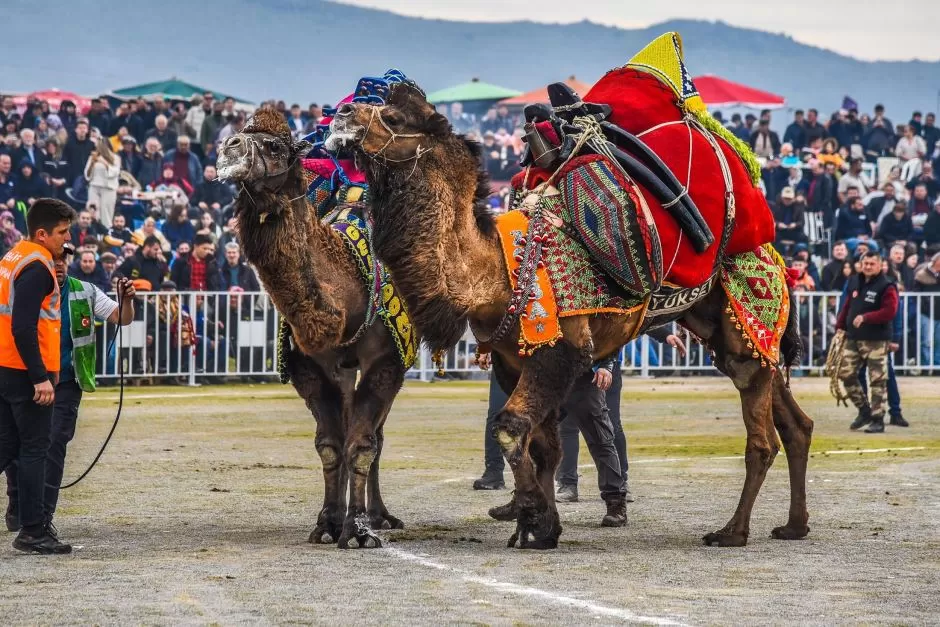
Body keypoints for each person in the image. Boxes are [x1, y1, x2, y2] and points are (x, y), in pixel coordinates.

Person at [5, 247, 136, 543]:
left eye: (64, 260)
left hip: (66, 380)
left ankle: (41, 520)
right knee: (17, 445)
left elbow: (121, 318)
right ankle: (18, 497)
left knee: (54, 446)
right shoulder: (26, 286)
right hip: (27, 378)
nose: (59, 265)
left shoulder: (84, 291)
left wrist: (126, 301)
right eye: (54, 260)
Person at [0, 198, 74, 553]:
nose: (67, 239)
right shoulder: (37, 266)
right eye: (62, 232)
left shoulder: (14, 256)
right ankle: (32, 531)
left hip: (6, 367)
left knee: (6, 446)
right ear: (42, 234)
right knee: (33, 450)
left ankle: (30, 527)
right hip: (24, 371)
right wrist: (39, 376)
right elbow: (24, 327)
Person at [835, 251, 899, 433]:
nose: (868, 267)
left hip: (876, 340)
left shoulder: (887, 286)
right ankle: (864, 410)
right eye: (866, 263)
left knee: (877, 380)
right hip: (854, 337)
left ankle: (878, 419)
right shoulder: (855, 281)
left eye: (872, 264)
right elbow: (848, 305)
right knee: (845, 373)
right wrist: (840, 325)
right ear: (861, 264)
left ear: (880, 265)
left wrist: (866, 317)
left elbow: (890, 311)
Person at [84, 137, 121, 228]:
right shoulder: (92, 157)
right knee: (93, 211)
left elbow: (115, 172)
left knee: (106, 213)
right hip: (94, 187)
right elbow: (87, 175)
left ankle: (106, 233)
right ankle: (93, 231)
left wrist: (104, 162)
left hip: (108, 188)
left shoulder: (115, 158)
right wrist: (93, 162)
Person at [912, 252, 940, 368]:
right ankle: (926, 366)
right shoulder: (921, 274)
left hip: (939, 312)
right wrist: (925, 307)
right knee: (926, 341)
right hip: (926, 313)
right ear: (936, 262)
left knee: (939, 341)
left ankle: (937, 366)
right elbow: (916, 294)